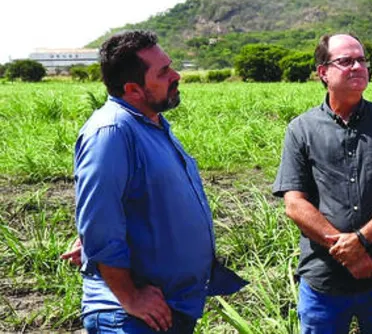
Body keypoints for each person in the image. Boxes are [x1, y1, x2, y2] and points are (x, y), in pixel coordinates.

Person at [65, 30, 245, 334]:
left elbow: (131, 202)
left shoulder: (151, 123)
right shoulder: (111, 132)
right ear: (134, 89)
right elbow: (99, 223)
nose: (176, 76)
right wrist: (130, 296)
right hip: (130, 318)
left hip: (166, 309)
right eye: (163, 72)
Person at [272, 33, 372, 334]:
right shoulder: (301, 129)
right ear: (323, 72)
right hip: (322, 281)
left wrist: (362, 240)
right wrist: (348, 252)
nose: (356, 66)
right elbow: (295, 204)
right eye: (345, 61)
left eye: (361, 60)